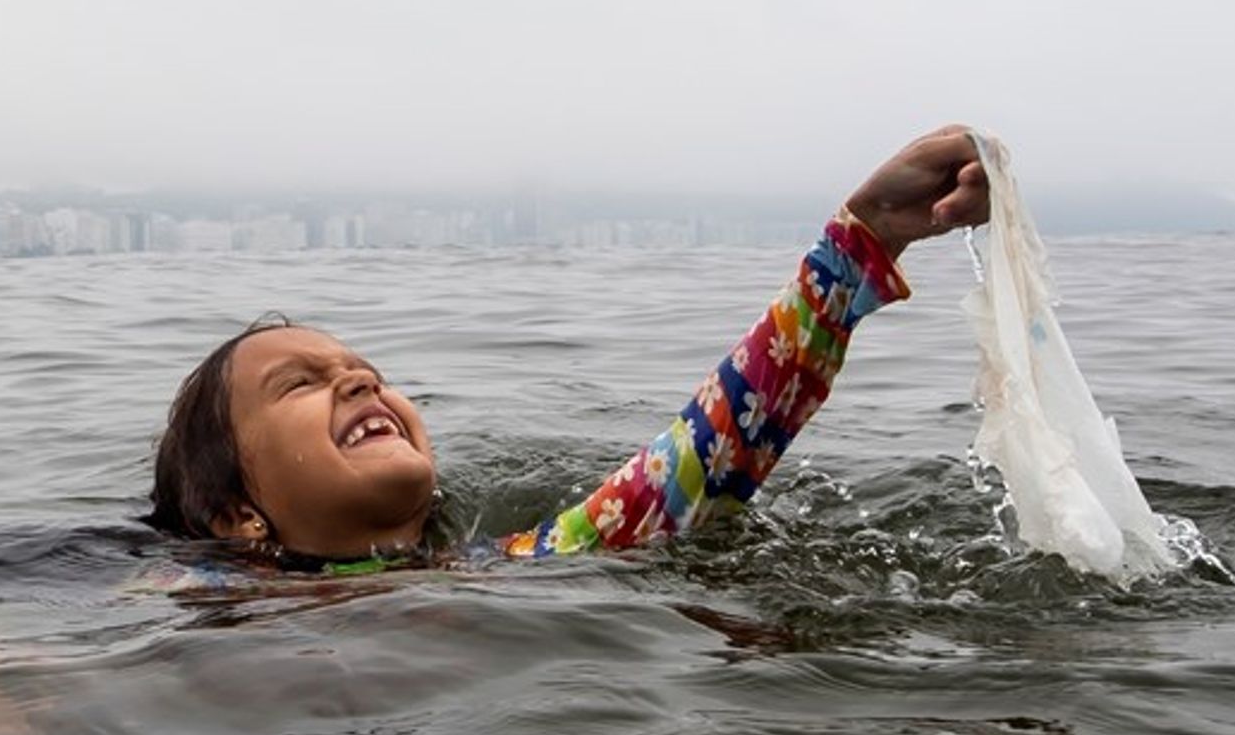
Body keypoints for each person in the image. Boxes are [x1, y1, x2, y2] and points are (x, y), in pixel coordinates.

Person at [145, 126, 993, 571]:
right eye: (300, 383)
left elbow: (699, 458)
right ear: (236, 514)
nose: (361, 379)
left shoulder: (512, 566)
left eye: (367, 371)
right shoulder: (199, 603)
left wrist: (859, 246)